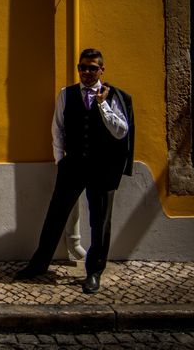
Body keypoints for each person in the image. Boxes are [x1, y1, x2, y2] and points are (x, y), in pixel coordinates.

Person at [14, 48, 134, 294]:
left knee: (100, 222)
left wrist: (103, 106)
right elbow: (57, 127)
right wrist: (61, 160)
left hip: (103, 169)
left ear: (102, 69)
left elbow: (121, 131)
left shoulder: (114, 97)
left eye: (92, 68)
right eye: (83, 67)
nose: (87, 72)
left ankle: (94, 272)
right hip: (73, 165)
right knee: (55, 216)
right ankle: (39, 265)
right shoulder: (66, 94)